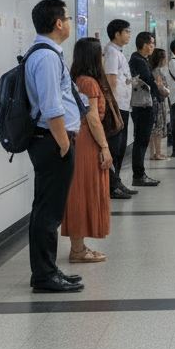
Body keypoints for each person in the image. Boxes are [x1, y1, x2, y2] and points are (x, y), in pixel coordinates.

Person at [23, 0, 87, 293]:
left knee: (46, 210)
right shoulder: (47, 57)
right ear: (58, 23)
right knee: (48, 213)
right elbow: (51, 106)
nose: (71, 23)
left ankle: (47, 270)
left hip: (50, 141)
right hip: (52, 142)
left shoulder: (47, 53)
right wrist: (63, 143)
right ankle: (45, 276)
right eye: (69, 18)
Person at [64, 37, 112, 263]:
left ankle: (79, 247)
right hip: (87, 141)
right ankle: (77, 251)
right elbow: (93, 118)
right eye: (100, 54)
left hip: (77, 139)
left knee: (77, 193)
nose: (102, 58)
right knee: (84, 192)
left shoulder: (75, 79)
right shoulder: (89, 83)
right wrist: (104, 146)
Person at [103, 19, 136, 200]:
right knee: (116, 147)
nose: (129, 35)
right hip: (117, 106)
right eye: (127, 32)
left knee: (121, 147)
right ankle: (111, 185)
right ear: (117, 34)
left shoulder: (118, 52)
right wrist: (113, 107)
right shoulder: (111, 53)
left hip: (123, 105)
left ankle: (116, 181)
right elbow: (110, 80)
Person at [128, 31, 161, 186]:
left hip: (142, 106)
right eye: (151, 44)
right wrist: (160, 93)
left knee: (142, 140)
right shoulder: (139, 60)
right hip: (143, 106)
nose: (152, 47)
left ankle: (139, 174)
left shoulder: (140, 59)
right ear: (144, 44)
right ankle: (139, 175)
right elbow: (148, 81)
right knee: (141, 141)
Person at [148, 47, 171, 161]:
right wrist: (167, 91)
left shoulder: (151, 70)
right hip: (158, 102)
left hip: (153, 101)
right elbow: (160, 88)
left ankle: (153, 153)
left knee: (153, 129)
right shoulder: (157, 72)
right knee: (157, 129)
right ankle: (157, 153)